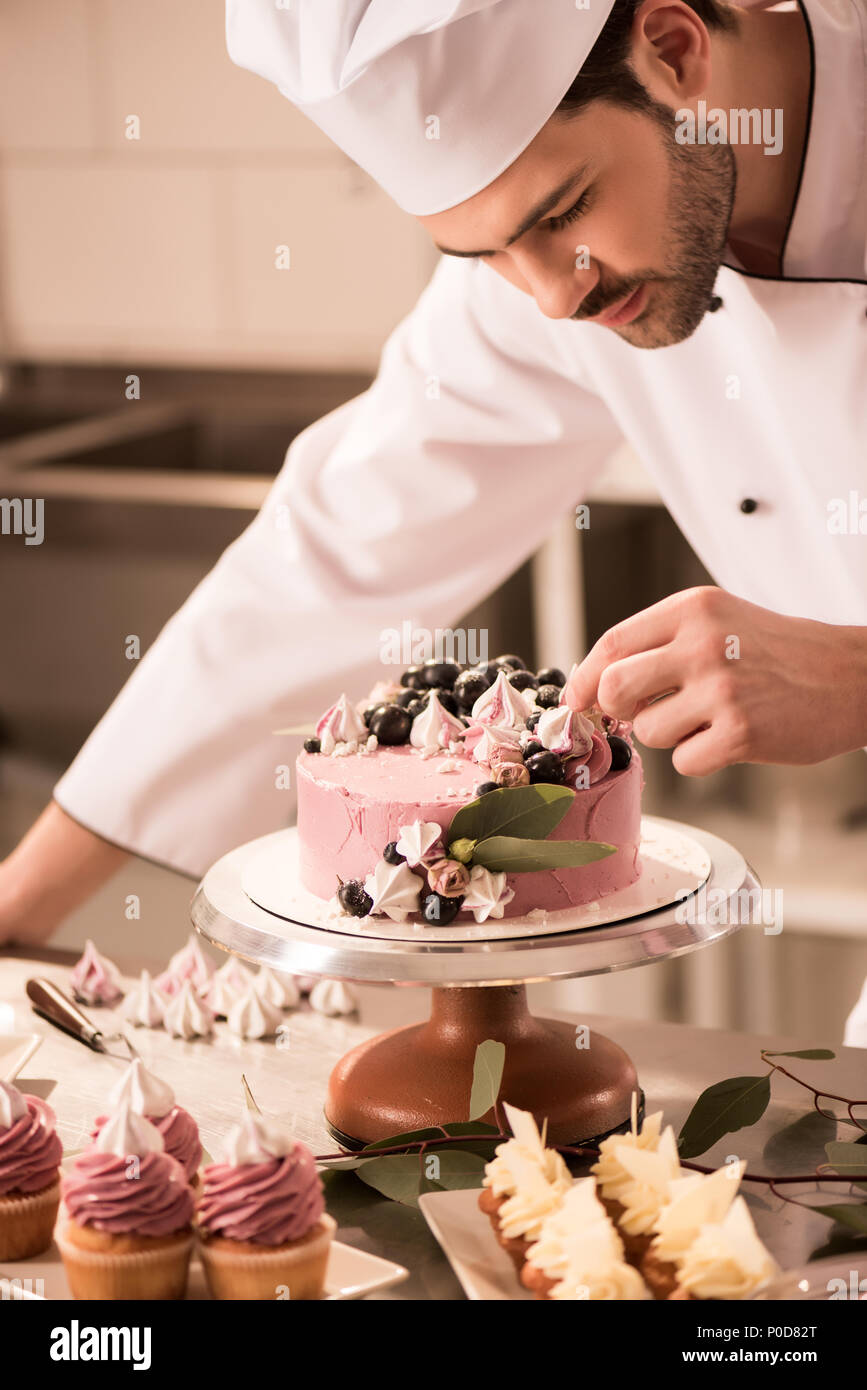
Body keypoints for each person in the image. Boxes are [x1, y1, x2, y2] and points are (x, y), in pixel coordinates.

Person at [1, 0, 865, 1037]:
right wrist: (21, 899)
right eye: (485, 254)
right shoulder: (553, 275)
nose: (550, 297)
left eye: (561, 212)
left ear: (674, 50)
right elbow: (331, 560)